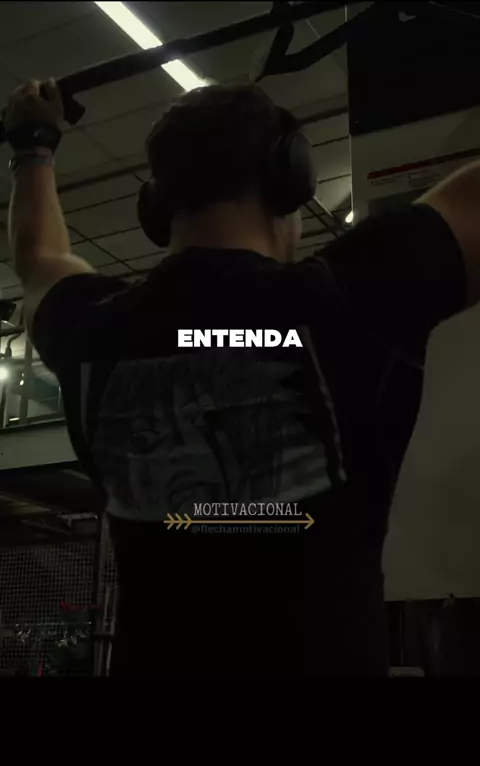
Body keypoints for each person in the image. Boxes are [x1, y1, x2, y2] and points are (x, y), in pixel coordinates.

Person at [3, 78, 475, 676]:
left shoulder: (92, 328)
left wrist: (33, 144)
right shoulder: (349, 297)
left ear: (156, 206)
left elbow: (38, 256)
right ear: (289, 180)